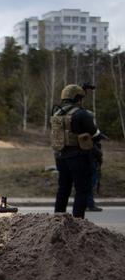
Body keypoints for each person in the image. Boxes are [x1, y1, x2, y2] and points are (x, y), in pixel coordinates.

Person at [52, 84, 97, 218]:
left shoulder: (57, 113)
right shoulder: (81, 113)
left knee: (63, 190)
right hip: (78, 157)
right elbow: (93, 132)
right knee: (82, 190)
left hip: (60, 157)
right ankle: (78, 222)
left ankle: (57, 220)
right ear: (78, 98)